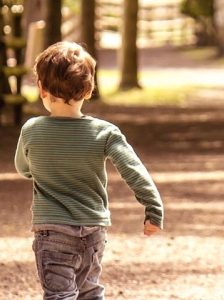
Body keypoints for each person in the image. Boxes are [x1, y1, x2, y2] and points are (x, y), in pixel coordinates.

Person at [14, 41, 164, 300]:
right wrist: (154, 209)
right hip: (93, 231)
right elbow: (133, 170)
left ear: (41, 89)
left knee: (60, 295)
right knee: (90, 292)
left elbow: (24, 169)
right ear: (88, 91)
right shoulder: (105, 132)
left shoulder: (31, 129)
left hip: (53, 233)